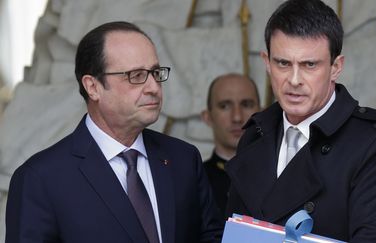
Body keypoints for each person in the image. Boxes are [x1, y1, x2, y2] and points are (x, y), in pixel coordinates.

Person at [6, 21, 223, 243]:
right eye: (136, 76)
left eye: (155, 73)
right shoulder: (41, 178)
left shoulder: (183, 159)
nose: (154, 87)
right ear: (93, 87)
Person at [225, 0, 376, 242]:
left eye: (309, 65)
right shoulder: (255, 134)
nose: (294, 80)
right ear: (267, 63)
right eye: (283, 63)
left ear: (336, 67)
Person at [201, 73, 260, 214]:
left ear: (261, 113)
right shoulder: (194, 180)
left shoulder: (280, 174)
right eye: (225, 106)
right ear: (207, 117)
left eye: (246, 105)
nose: (237, 117)